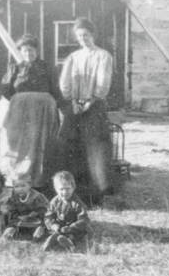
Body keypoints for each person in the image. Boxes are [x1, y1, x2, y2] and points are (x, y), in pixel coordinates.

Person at [0, 35, 63, 194]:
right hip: (19, 112)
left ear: (37, 51)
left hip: (42, 112)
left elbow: (55, 89)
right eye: (24, 51)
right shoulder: (15, 68)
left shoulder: (47, 67)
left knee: (38, 142)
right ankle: (16, 177)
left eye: (31, 51)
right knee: (17, 143)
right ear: (21, 52)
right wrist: (20, 101)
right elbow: (5, 89)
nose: (28, 54)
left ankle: (38, 179)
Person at [57, 17, 114, 201]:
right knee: (71, 144)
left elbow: (102, 81)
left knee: (95, 147)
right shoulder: (73, 57)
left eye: (86, 35)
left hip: (94, 106)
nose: (83, 39)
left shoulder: (103, 56)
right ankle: (72, 189)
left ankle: (99, 189)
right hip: (74, 106)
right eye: (80, 36)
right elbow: (66, 82)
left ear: (93, 35)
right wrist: (73, 101)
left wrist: (91, 101)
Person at [42, 171, 90, 251]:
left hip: (72, 227)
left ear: (73, 188)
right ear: (56, 189)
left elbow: (84, 219)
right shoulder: (54, 201)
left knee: (77, 234)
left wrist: (71, 227)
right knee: (48, 230)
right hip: (59, 226)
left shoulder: (77, 203)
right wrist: (53, 225)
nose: (64, 192)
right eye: (61, 189)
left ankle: (67, 242)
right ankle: (52, 239)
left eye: (68, 188)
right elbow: (48, 216)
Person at [0, 173, 49, 242]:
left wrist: (36, 213)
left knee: (39, 227)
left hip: (34, 220)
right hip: (20, 220)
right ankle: (7, 235)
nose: (20, 189)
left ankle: (37, 236)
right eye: (16, 187)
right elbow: (10, 209)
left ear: (30, 185)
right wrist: (17, 216)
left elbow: (44, 208)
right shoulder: (13, 197)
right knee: (12, 227)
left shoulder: (36, 196)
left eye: (23, 186)